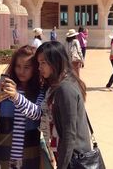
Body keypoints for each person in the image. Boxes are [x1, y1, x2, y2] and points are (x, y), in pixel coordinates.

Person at [0, 46, 50, 168]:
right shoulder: (3, 84)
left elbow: (37, 114)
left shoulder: (40, 88)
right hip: (1, 151)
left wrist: (16, 97)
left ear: (35, 68)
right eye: (18, 66)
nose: (21, 71)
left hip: (27, 154)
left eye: (26, 67)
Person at [35, 41, 93, 169]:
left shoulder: (65, 88)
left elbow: (69, 134)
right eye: (39, 63)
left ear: (56, 61)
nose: (39, 67)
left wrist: (62, 166)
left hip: (74, 157)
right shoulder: (60, 82)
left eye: (43, 63)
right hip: (68, 155)